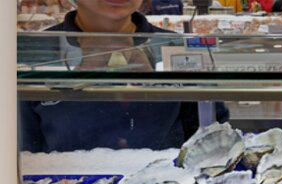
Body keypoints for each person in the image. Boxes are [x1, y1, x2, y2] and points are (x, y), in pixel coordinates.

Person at [19, 0, 227, 153]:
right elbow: (25, 155)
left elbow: (213, 139)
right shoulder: (34, 54)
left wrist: (152, 88)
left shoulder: (179, 49)